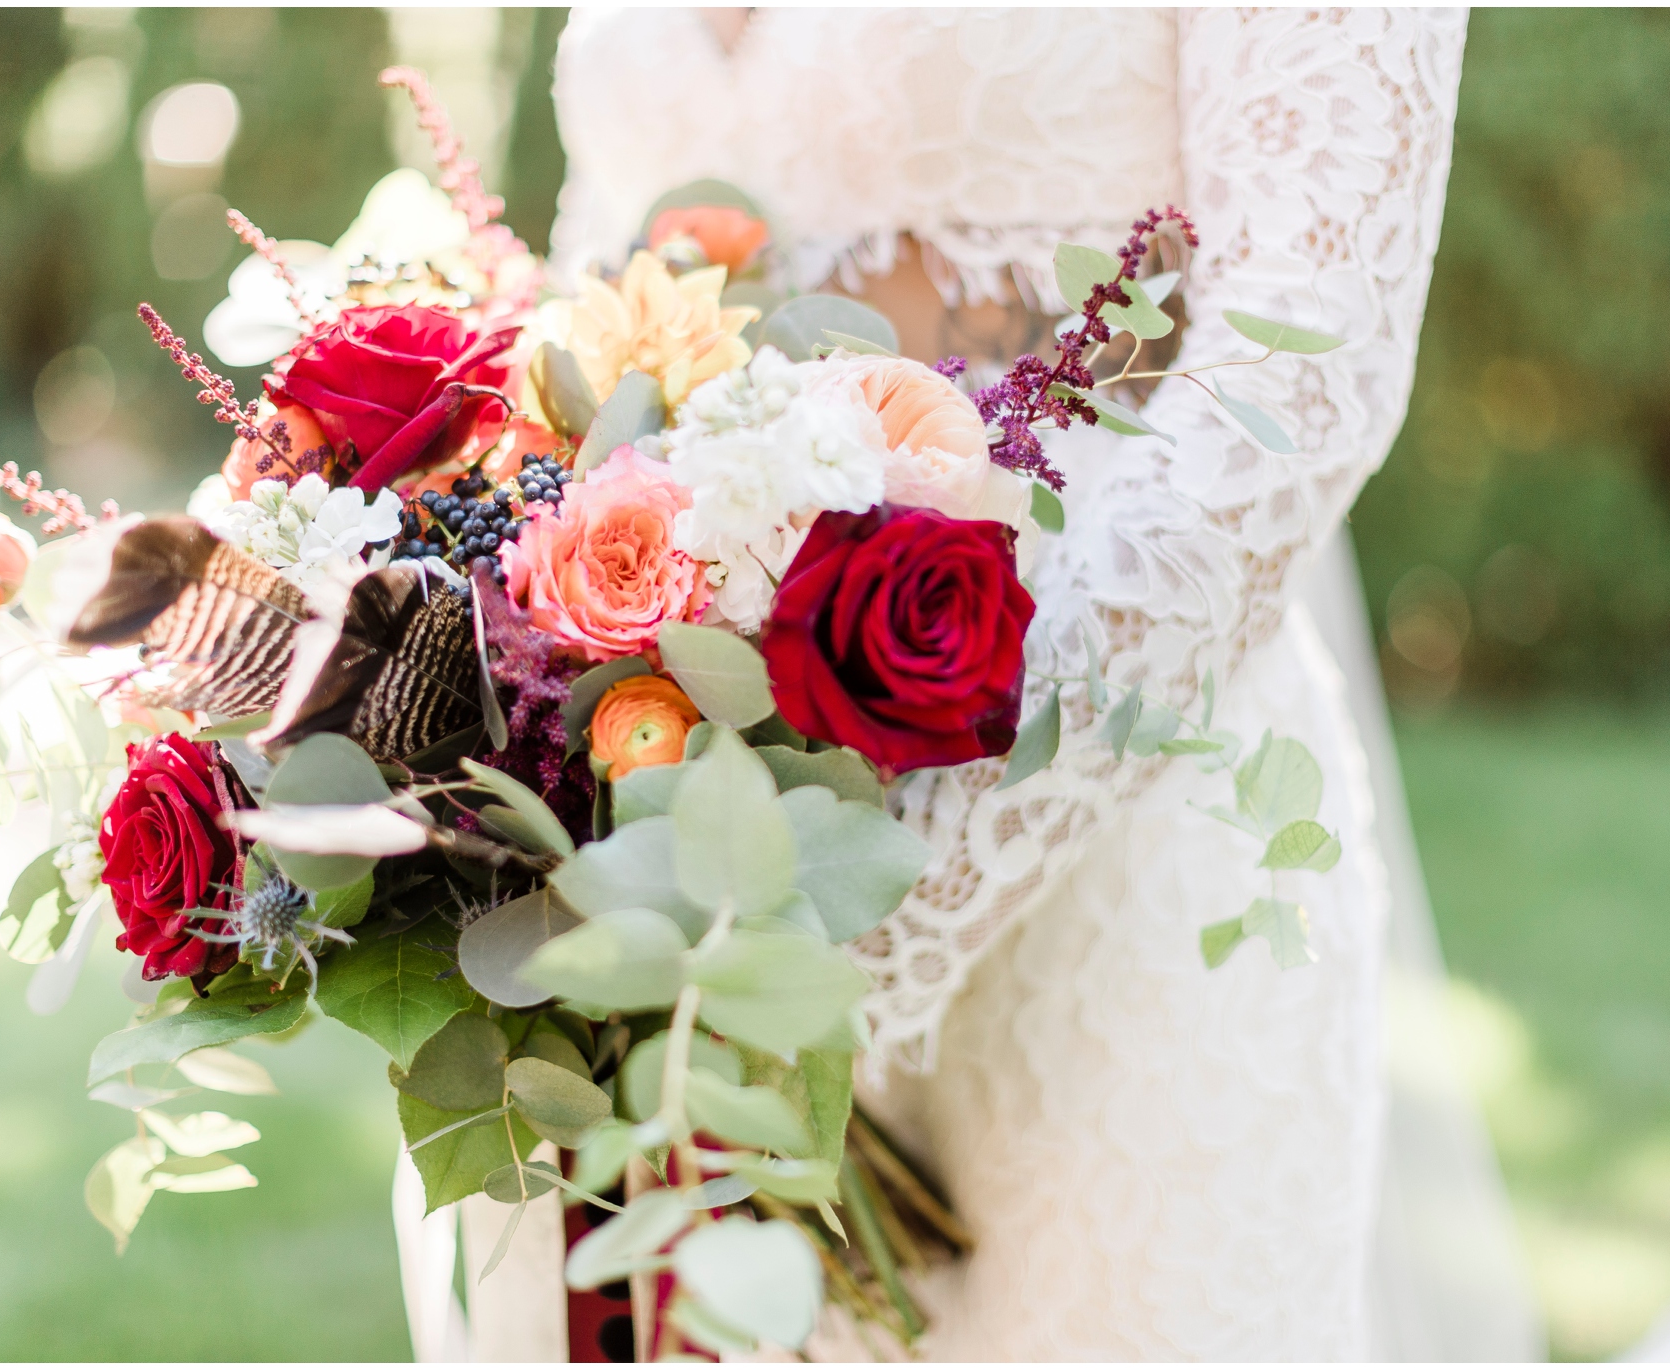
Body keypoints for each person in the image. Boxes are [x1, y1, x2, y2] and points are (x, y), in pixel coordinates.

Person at [399, 8, 1538, 1359]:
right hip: (640, 800)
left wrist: (878, 902)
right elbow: (596, 283)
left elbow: (1303, 357)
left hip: (1111, 821)